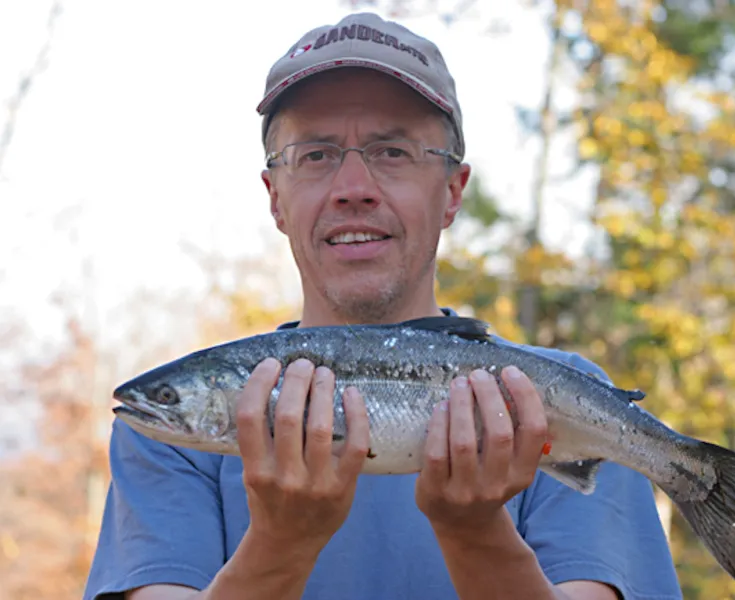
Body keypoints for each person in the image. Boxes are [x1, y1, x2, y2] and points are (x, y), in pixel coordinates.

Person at [83, 11, 682, 600]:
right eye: (314, 155)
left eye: (392, 152)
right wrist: (280, 544)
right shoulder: (163, 440)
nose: (354, 187)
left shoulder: (569, 400)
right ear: (275, 199)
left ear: (452, 192)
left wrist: (475, 534)